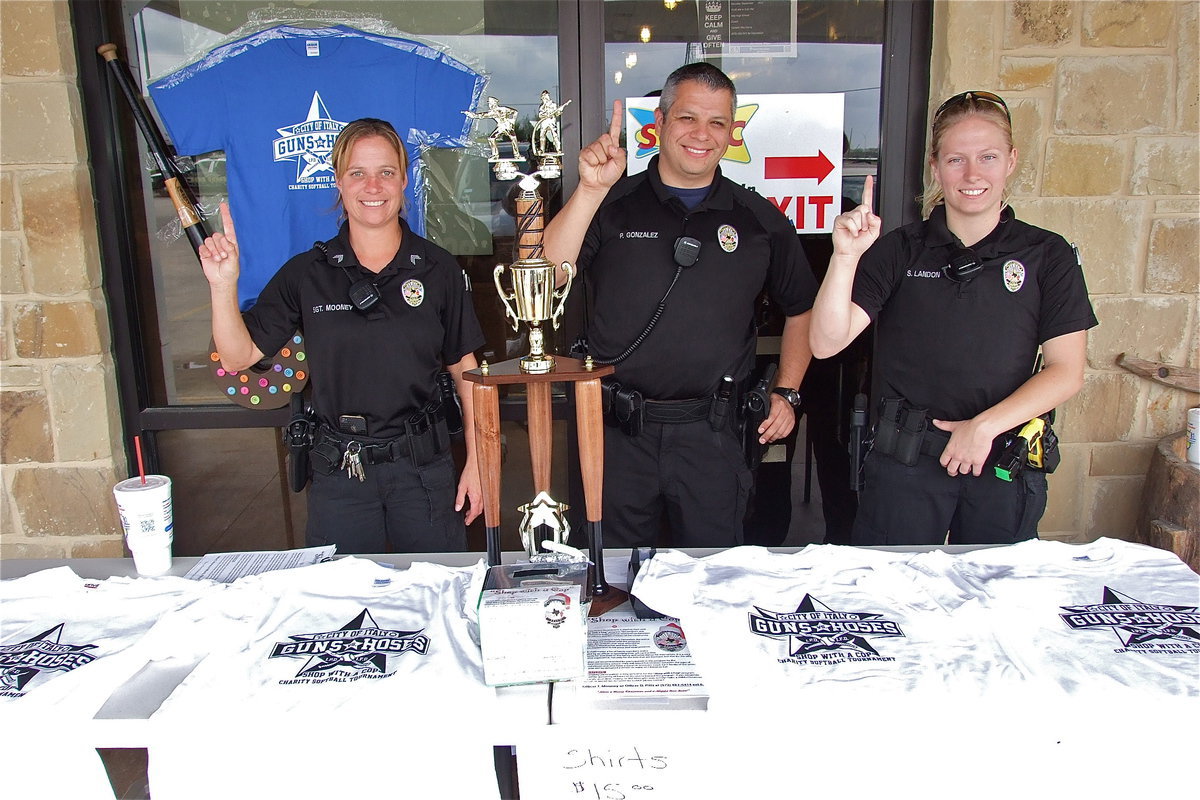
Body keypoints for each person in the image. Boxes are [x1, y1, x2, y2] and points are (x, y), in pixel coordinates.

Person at [544, 63, 818, 549]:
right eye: (688, 118)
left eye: (717, 123)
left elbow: (802, 308)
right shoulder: (610, 202)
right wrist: (589, 189)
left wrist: (789, 391)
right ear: (661, 122)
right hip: (615, 433)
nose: (702, 135)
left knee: (710, 578)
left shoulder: (758, 220)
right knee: (612, 583)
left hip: (713, 437)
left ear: (732, 133)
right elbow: (549, 275)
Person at [810, 90, 1097, 546]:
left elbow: (1067, 372)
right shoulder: (900, 249)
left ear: (1011, 160)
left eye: (987, 157)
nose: (972, 174)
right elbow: (826, 342)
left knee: (995, 606)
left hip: (1001, 460)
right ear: (935, 166)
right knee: (894, 603)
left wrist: (982, 428)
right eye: (956, 159)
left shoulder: (1048, 254)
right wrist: (844, 259)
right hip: (905, 462)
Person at [199, 118, 485, 553]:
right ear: (338, 182)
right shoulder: (306, 275)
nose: (373, 186)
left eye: (386, 172)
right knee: (340, 611)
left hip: (423, 473)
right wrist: (223, 286)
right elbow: (238, 357)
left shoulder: (438, 268)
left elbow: (466, 371)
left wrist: (480, 461)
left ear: (404, 181)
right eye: (358, 173)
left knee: (437, 597)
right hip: (342, 477)